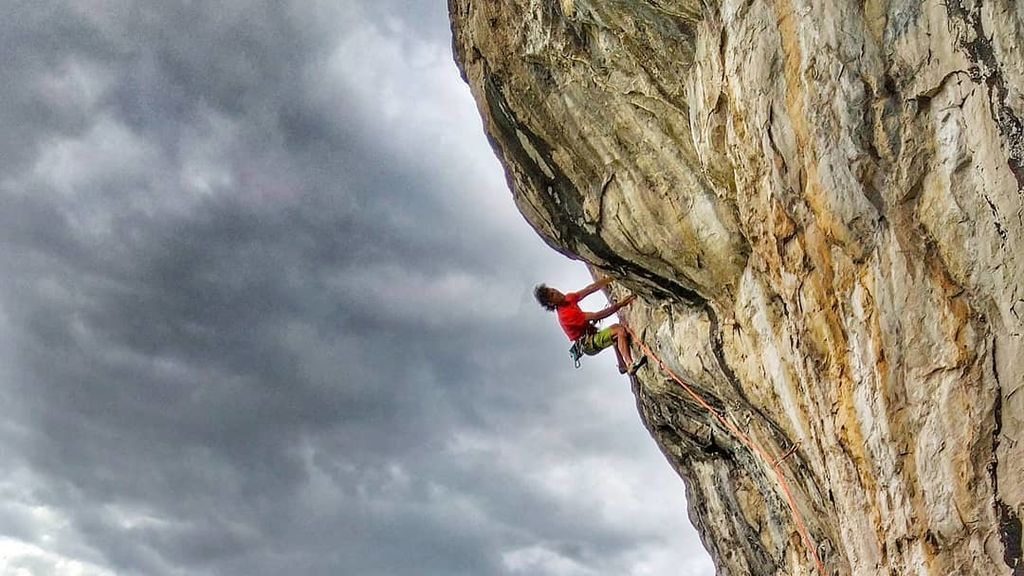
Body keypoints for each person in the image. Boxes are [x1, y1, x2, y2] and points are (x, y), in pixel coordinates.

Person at [534, 277, 646, 375]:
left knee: (615, 336)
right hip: (589, 345)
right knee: (619, 330)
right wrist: (620, 304)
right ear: (551, 303)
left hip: (590, 336)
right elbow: (597, 315)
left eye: (552, 289)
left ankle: (622, 366)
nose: (556, 291)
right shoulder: (565, 315)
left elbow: (590, 289)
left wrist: (610, 278)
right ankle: (630, 364)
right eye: (552, 294)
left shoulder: (568, 298)